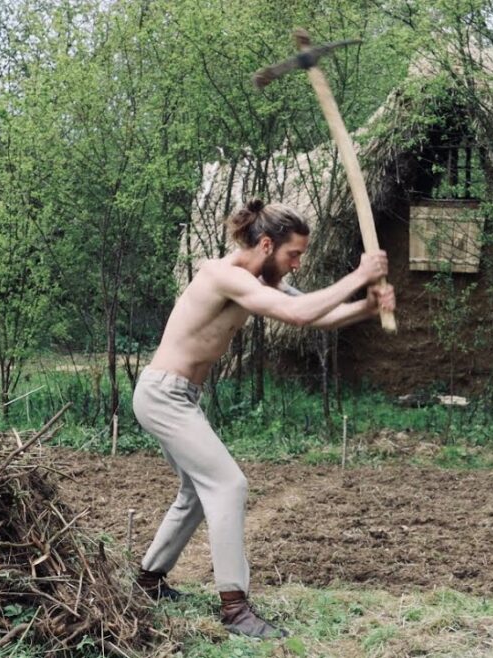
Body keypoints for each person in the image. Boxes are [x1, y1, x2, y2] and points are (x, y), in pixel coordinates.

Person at [133, 198, 395, 638]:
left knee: (196, 493)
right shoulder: (225, 276)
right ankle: (235, 609)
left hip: (179, 396)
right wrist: (359, 275)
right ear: (268, 243)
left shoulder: (256, 278)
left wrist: (365, 307)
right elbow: (296, 312)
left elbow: (313, 314)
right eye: (293, 254)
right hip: (163, 395)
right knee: (228, 485)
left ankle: (146, 582)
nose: (296, 264)